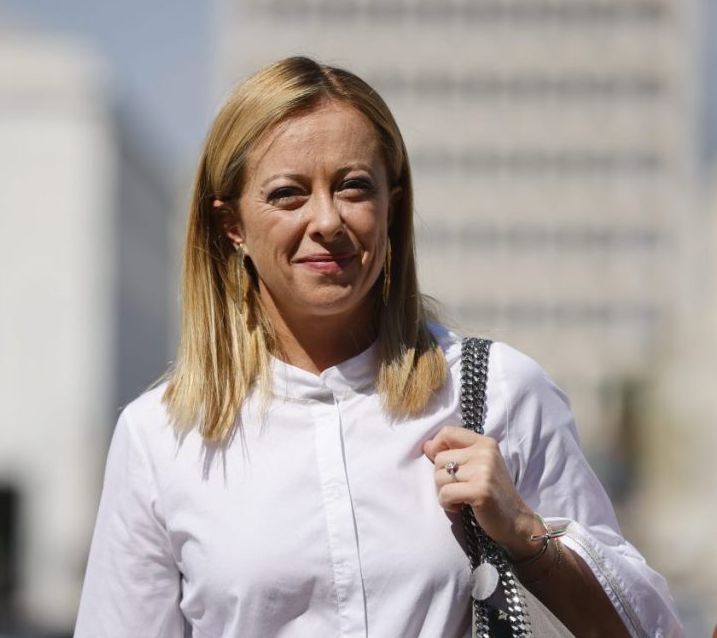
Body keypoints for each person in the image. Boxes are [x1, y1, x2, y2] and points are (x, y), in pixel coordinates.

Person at [74, 57, 682, 637]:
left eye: (354, 187)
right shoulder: (160, 438)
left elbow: (646, 627)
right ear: (231, 224)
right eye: (288, 194)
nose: (327, 220)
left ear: (392, 205)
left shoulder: (500, 391)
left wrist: (525, 534)